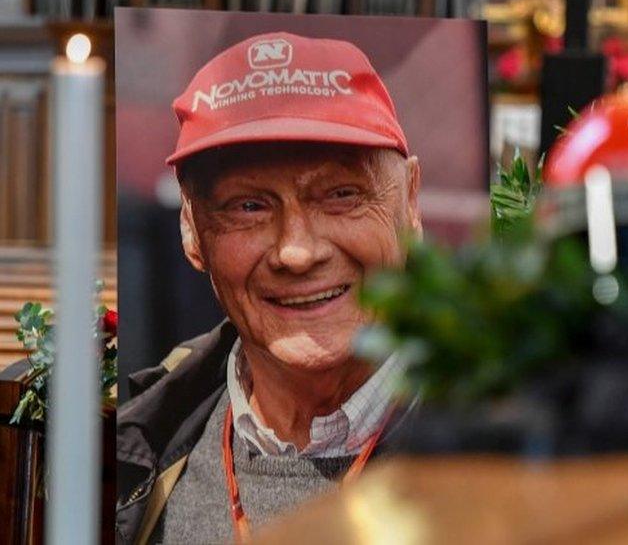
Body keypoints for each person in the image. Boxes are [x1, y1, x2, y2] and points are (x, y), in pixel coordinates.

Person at [116, 32, 422, 544]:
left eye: (341, 195)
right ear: (192, 230)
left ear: (410, 203)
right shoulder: (143, 437)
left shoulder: (514, 449)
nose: (297, 252)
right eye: (248, 206)